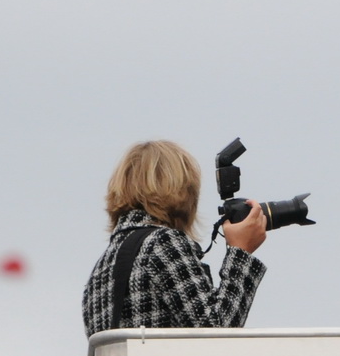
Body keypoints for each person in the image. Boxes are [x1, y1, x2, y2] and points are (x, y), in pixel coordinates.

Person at [83, 140, 268, 337]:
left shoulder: (100, 270)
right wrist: (240, 251)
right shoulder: (162, 244)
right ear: (182, 190)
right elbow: (216, 333)